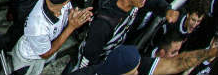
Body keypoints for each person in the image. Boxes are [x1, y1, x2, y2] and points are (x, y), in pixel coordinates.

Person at [73, 0, 180, 70]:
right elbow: (88, 60)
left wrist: (167, 10)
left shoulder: (134, 0)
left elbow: (151, 0)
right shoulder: (104, 24)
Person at [10, 0, 93, 75]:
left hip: (41, 49)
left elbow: (68, 9)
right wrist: (71, 27)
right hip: (29, 60)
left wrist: (76, 15)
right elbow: (45, 54)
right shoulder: (39, 27)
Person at [68, 44, 218, 75]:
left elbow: (177, 63)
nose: (138, 74)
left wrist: (213, 52)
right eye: (132, 74)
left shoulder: (135, 64)